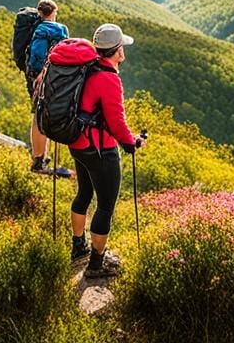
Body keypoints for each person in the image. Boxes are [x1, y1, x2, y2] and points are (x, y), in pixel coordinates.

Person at [68, 23, 145, 278]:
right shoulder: (109, 79)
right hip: (99, 149)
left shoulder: (86, 69)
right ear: (117, 51)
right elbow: (116, 122)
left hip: (78, 143)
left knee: (84, 194)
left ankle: (78, 247)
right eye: (122, 47)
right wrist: (130, 143)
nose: (124, 51)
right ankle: (95, 265)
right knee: (105, 206)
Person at [26, 0, 71, 176]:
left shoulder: (36, 29)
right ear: (53, 13)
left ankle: (38, 157)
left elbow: (34, 54)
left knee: (37, 115)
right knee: (44, 115)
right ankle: (42, 159)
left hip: (36, 77)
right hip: (52, 76)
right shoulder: (60, 29)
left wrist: (35, 73)